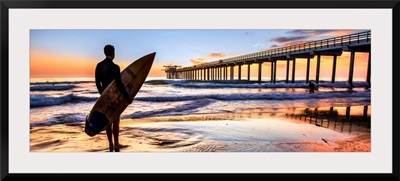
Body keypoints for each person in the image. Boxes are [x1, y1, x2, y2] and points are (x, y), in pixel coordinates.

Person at [95, 44, 133, 152]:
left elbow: (97, 82)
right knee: (116, 121)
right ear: (113, 53)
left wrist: (102, 94)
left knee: (108, 121)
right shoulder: (115, 67)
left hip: (105, 97)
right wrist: (127, 97)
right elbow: (119, 85)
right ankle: (116, 144)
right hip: (114, 97)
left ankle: (110, 144)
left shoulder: (99, 65)